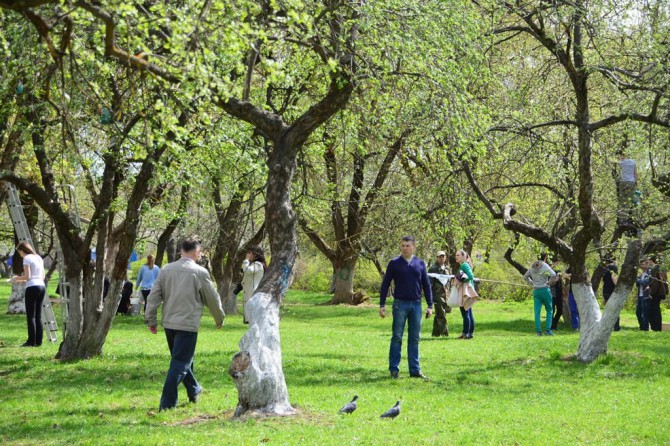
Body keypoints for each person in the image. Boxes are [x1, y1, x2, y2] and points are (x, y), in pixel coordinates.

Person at [145, 237, 225, 411]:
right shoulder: (200, 272)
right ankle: (167, 404)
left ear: (181, 251)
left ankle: (193, 390)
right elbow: (212, 297)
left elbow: (153, 296)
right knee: (180, 363)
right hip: (187, 325)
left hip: (169, 324)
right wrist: (219, 318)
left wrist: (151, 319)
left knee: (182, 360)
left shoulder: (166, 269)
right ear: (196, 253)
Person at [379, 236, 433, 380]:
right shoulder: (394, 263)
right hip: (399, 304)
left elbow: (426, 286)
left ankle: (415, 370)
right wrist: (382, 305)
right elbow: (385, 284)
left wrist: (430, 306)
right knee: (397, 337)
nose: (405, 248)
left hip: (416, 304)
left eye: (408, 246)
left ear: (414, 247)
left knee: (414, 338)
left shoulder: (420, 264)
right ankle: (394, 369)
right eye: (403, 245)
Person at [12, 242, 46, 347]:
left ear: (22, 250)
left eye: (19, 252)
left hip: (32, 287)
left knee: (30, 315)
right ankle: (38, 341)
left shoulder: (27, 258)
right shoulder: (38, 258)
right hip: (41, 286)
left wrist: (16, 278)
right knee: (38, 315)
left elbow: (27, 277)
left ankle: (31, 341)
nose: (20, 255)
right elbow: (43, 275)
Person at [524, 253, 557, 336]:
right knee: (549, 310)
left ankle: (538, 332)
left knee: (537, 311)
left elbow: (525, 277)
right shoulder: (545, 266)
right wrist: (549, 282)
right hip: (545, 290)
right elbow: (553, 274)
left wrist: (532, 283)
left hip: (536, 291)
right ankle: (547, 330)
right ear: (545, 258)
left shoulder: (532, 266)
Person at [242, 245, 266, 324]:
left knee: (252, 311)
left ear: (255, 254)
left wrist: (246, 260)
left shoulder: (258, 264)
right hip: (250, 291)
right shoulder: (254, 264)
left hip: (253, 291)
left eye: (250, 253)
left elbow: (248, 270)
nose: (248, 255)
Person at [454, 250, 475, 340]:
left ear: (463, 256)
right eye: (456, 255)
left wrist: (463, 280)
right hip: (466, 291)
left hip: (465, 292)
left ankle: (465, 333)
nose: (456, 257)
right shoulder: (464, 265)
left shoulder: (464, 265)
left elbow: (470, 276)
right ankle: (469, 333)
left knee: (465, 312)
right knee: (468, 312)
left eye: (458, 255)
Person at [428, 250, 450, 337]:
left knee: (440, 313)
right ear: (436, 258)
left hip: (446, 294)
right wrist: (430, 296)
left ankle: (435, 333)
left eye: (443, 256)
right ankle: (445, 333)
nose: (442, 258)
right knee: (441, 313)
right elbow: (429, 283)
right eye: (440, 256)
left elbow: (449, 281)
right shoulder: (433, 268)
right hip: (437, 294)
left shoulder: (447, 268)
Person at [647, 255, 667, 332]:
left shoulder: (654, 269)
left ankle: (655, 328)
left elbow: (654, 282)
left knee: (653, 310)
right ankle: (657, 328)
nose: (648, 262)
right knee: (656, 310)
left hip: (655, 293)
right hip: (660, 292)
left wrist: (651, 293)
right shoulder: (662, 268)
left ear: (651, 260)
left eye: (648, 260)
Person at [617, 152, 637, 227]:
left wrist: (620, 159)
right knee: (630, 202)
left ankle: (621, 221)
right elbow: (635, 174)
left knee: (622, 202)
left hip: (623, 183)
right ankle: (628, 220)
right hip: (632, 182)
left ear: (622, 155)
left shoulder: (621, 162)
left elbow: (615, 163)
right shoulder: (633, 162)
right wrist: (636, 183)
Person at [601, 257, 620, 331]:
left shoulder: (605, 268)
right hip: (612, 291)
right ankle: (616, 326)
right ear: (614, 260)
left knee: (608, 309)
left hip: (605, 290)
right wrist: (618, 287)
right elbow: (613, 277)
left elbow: (603, 280)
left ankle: (608, 325)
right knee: (615, 309)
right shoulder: (613, 267)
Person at [635, 258, 651, 331]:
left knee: (645, 313)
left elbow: (644, 283)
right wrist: (638, 280)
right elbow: (638, 284)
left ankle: (645, 328)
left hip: (645, 295)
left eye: (643, 264)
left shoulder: (649, 273)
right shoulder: (641, 274)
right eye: (641, 264)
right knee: (638, 313)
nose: (641, 266)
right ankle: (641, 327)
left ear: (647, 265)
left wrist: (638, 280)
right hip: (639, 295)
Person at [550, 257, 564, 330]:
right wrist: (556, 278)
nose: (558, 264)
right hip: (551, 293)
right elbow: (550, 283)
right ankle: (551, 326)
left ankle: (554, 324)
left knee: (560, 310)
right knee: (552, 310)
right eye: (557, 262)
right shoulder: (548, 270)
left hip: (559, 293)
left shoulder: (558, 270)